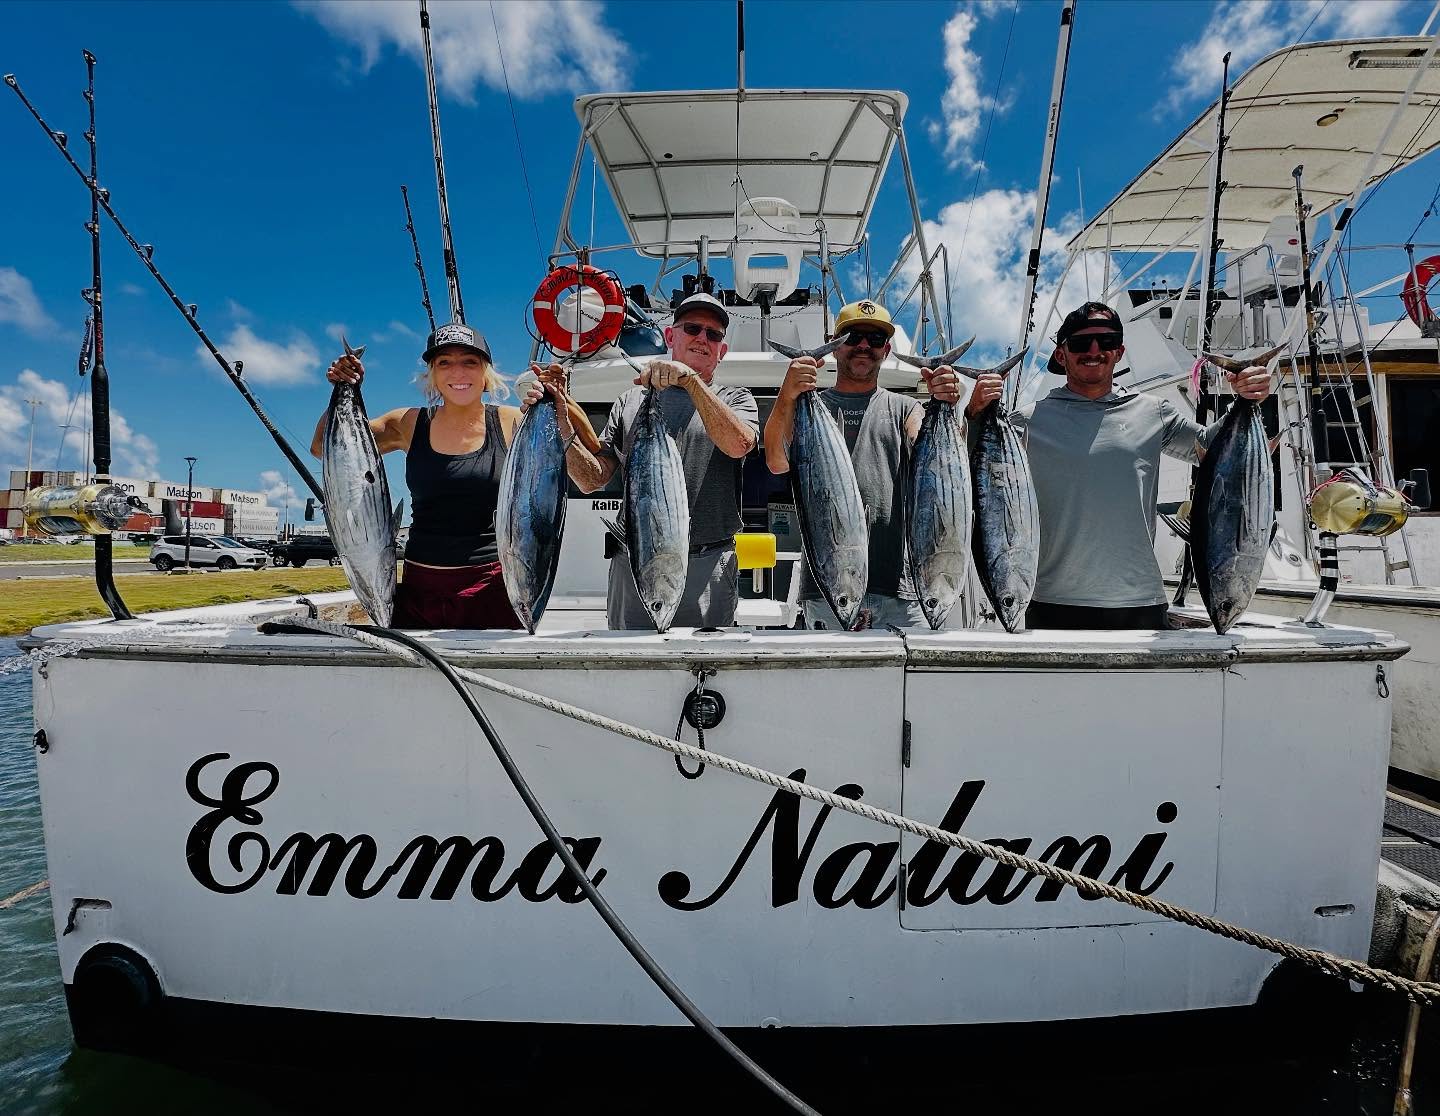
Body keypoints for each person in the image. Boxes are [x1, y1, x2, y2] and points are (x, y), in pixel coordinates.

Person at [965, 301, 1274, 630]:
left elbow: (1212, 448)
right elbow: (976, 475)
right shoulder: (1027, 420)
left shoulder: (1153, 412)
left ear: (1119, 351)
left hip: (1141, 603)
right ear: (1061, 355)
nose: (1094, 350)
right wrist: (974, 414)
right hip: (1048, 601)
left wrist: (1247, 398)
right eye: (1081, 343)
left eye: (1107, 341)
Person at [528, 291, 759, 629]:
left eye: (713, 334)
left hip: (707, 566)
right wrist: (561, 423)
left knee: (705, 659)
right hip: (635, 560)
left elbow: (739, 444)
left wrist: (690, 381)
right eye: (692, 329)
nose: (702, 339)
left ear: (721, 351)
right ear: (670, 336)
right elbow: (592, 479)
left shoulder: (736, 398)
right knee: (629, 656)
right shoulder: (630, 400)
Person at [312, 321, 526, 630]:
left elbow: (582, 470)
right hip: (419, 590)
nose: (457, 372)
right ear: (432, 375)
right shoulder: (408, 423)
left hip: (492, 587)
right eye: (444, 362)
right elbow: (324, 448)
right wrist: (344, 387)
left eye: (469, 361)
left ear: (486, 372)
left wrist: (558, 401)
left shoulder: (512, 421)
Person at [763, 300, 962, 629]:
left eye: (876, 339)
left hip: (901, 588)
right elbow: (775, 461)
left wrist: (946, 405)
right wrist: (788, 392)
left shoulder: (906, 408)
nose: (864, 346)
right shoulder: (808, 409)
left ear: (886, 350)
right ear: (835, 346)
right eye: (853, 337)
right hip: (829, 585)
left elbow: (936, 462)